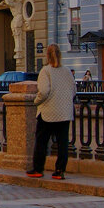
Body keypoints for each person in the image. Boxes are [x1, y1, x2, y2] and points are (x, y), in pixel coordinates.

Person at [28, 43, 76, 180]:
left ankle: (37, 169)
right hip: (65, 112)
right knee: (62, 143)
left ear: (47, 56)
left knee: (41, 141)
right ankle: (59, 170)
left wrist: (36, 101)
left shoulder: (46, 71)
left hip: (48, 112)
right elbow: (73, 90)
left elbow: (43, 91)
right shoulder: (67, 71)